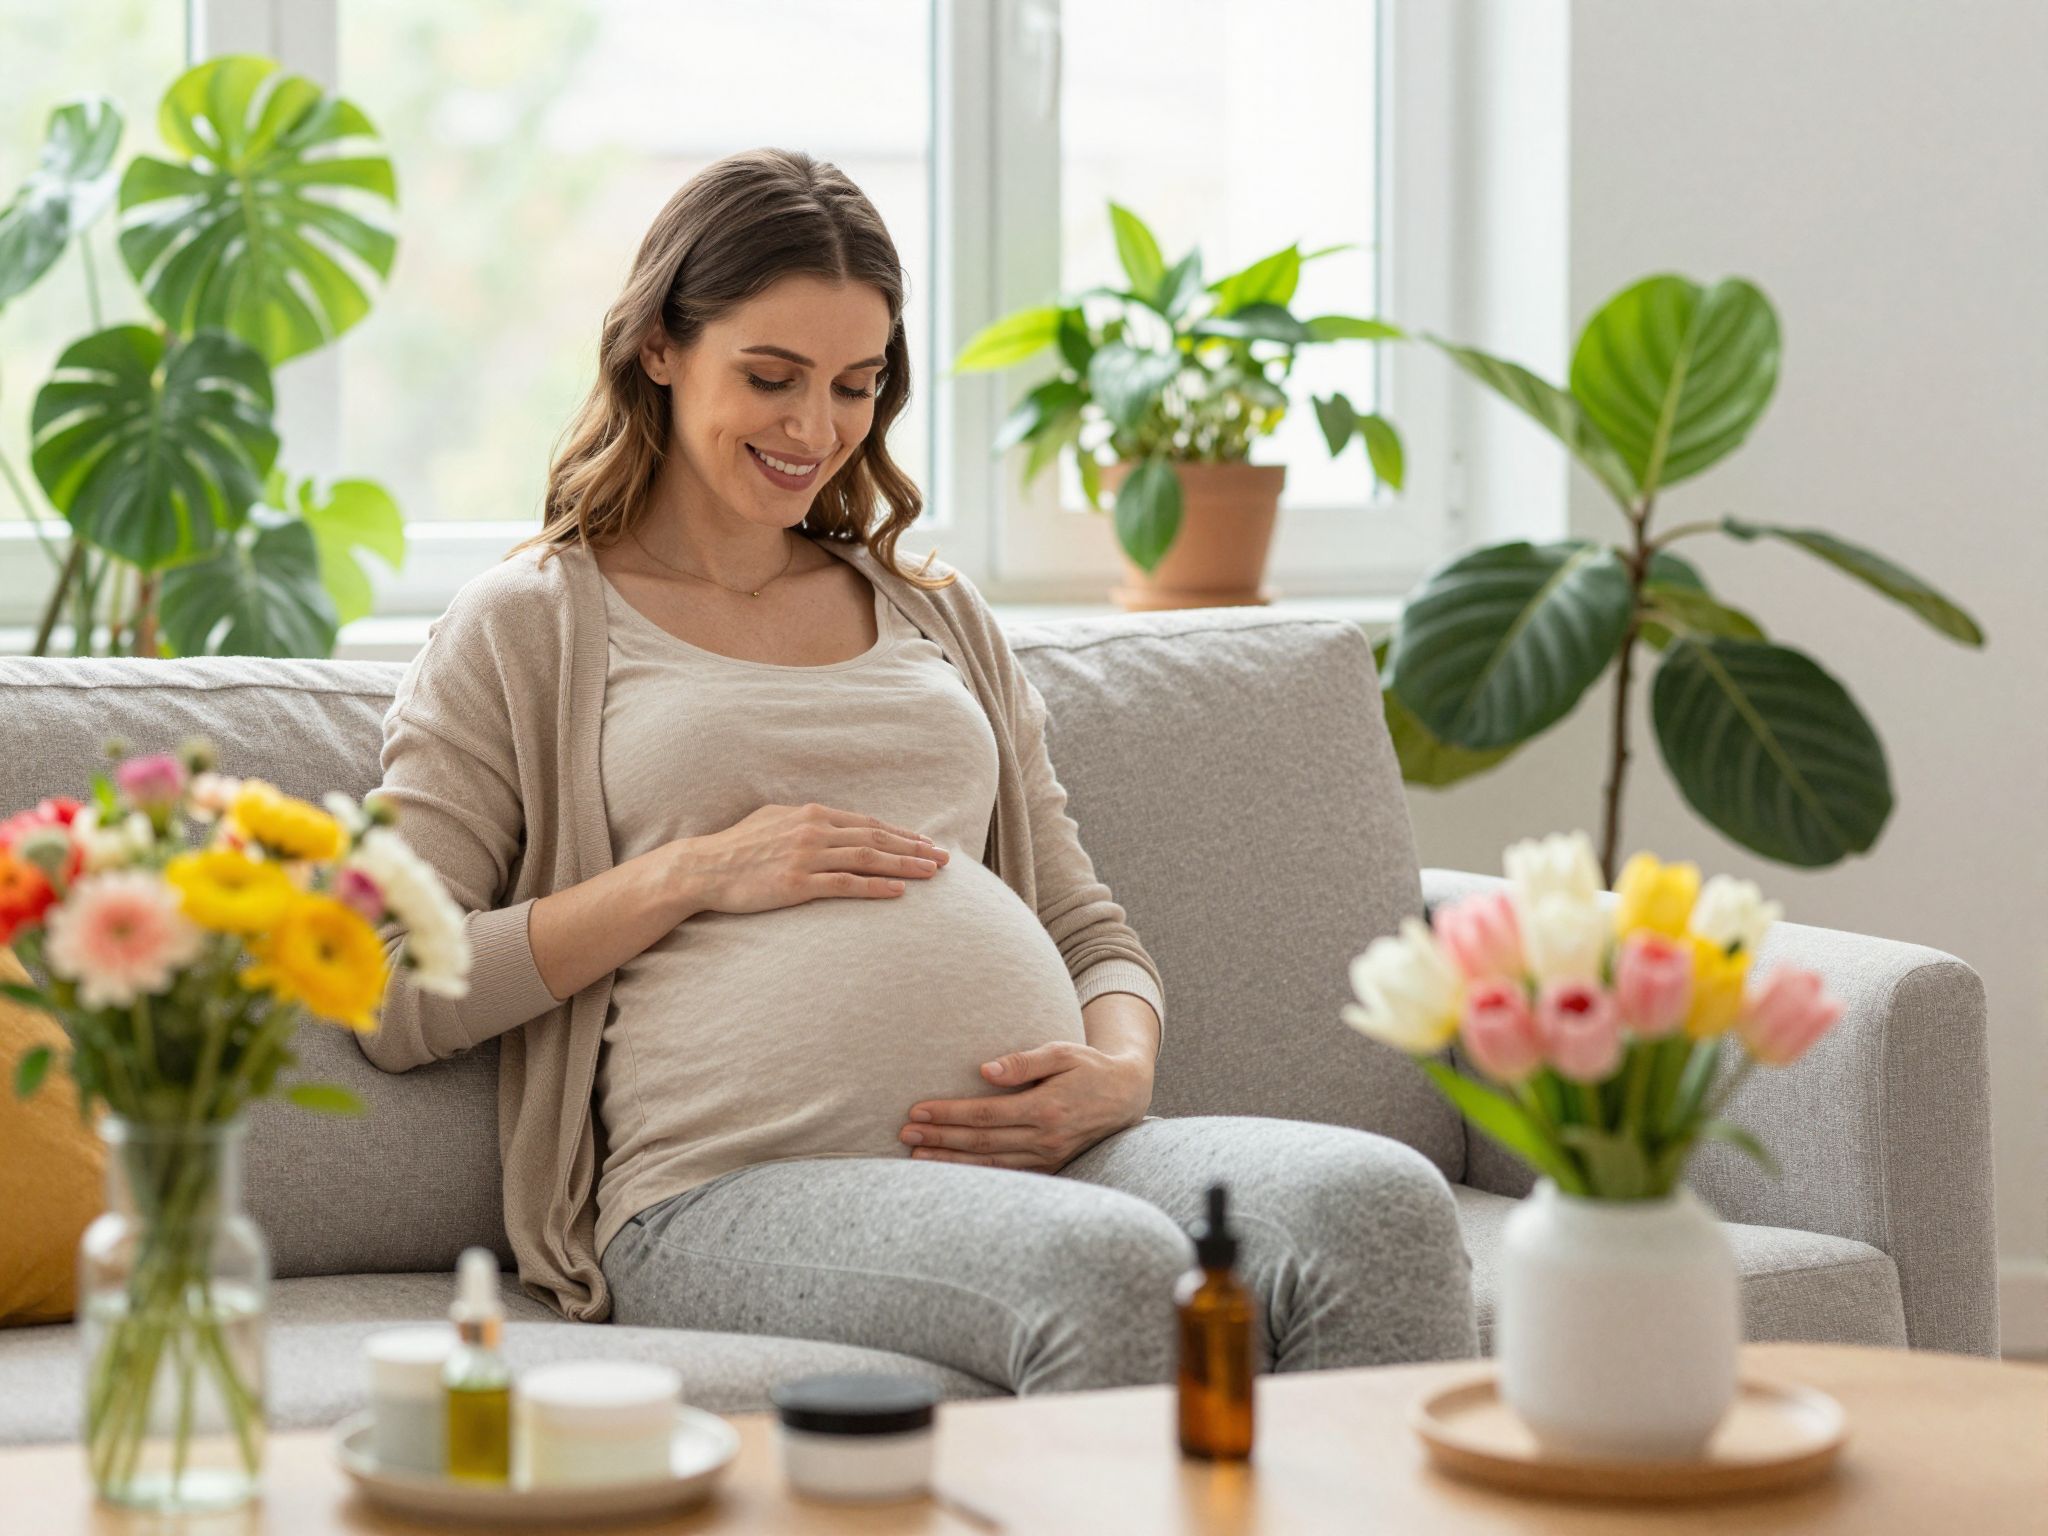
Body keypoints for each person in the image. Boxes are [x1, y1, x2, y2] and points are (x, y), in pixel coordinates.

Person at [359, 146, 1477, 1393]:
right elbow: (397, 986)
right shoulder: (529, 621)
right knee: (1102, 1266)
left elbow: (1082, 922)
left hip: (1052, 1166)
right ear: (659, 350)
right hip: (721, 1195)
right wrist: (692, 872)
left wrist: (1119, 1069)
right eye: (769, 376)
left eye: (854, 385)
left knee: (1377, 1205)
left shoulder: (934, 611)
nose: (813, 429)